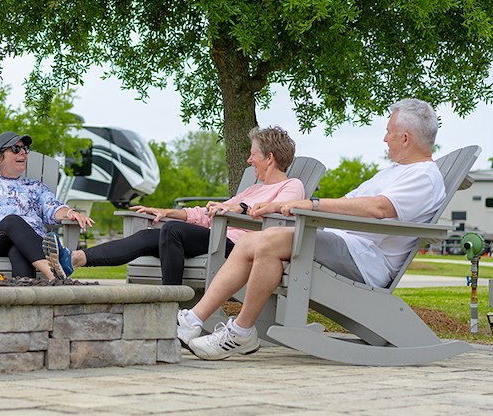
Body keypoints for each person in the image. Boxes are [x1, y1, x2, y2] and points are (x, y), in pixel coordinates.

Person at [180, 98, 446, 360]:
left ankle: (240, 331)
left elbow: (379, 209)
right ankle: (193, 320)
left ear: (406, 138)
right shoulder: (392, 173)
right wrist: (290, 207)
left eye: (389, 132)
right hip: (346, 244)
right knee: (254, 242)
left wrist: (309, 204)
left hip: (366, 259)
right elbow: (347, 203)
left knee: (270, 240)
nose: (385, 139)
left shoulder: (423, 176)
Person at [67, 126, 305, 285]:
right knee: (147, 236)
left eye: (253, 155)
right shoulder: (252, 188)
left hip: (239, 247)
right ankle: (76, 258)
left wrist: (240, 209)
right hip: (216, 238)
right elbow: (206, 214)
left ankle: (171, 302)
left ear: (270, 158)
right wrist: (169, 212)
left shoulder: (292, 186)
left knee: (172, 231)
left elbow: (277, 212)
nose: (249, 160)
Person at [0, 131, 94, 280]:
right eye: (16, 149)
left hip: (30, 246)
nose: (23, 153)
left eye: (25, 149)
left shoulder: (36, 188)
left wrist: (69, 213)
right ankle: (52, 274)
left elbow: (53, 207)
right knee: (12, 221)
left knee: (18, 251)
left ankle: (25, 296)